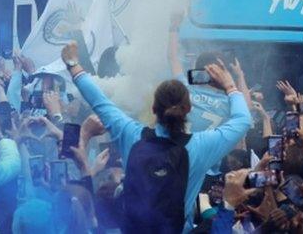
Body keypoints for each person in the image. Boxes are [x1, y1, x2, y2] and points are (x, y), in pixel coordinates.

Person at [61, 42, 251, 232]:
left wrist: (73, 64)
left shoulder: (131, 134)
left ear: (153, 109)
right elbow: (243, 120)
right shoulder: (201, 146)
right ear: (188, 109)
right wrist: (230, 86)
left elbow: (99, 101)